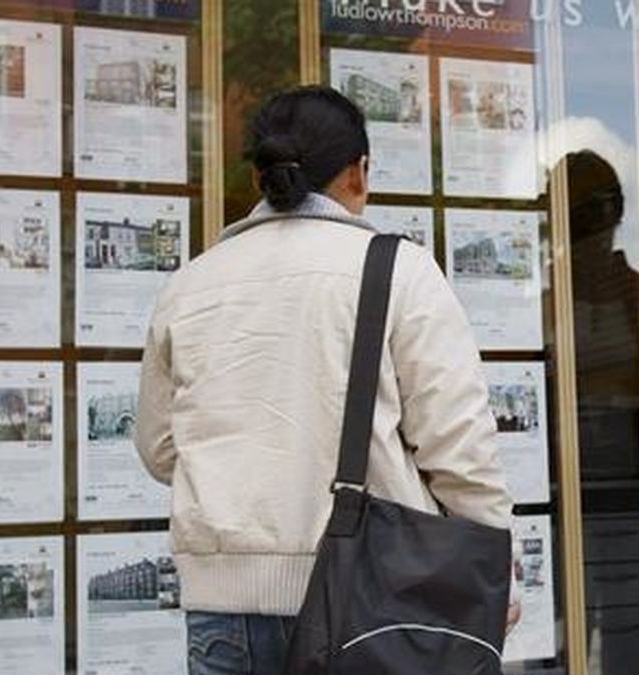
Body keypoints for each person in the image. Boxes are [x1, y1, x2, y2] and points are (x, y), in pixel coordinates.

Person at [134, 85, 515, 675]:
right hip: (372, 598)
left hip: (221, 608)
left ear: (261, 179)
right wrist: (490, 568)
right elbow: (457, 443)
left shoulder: (190, 283)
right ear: (358, 173)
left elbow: (161, 450)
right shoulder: (398, 270)